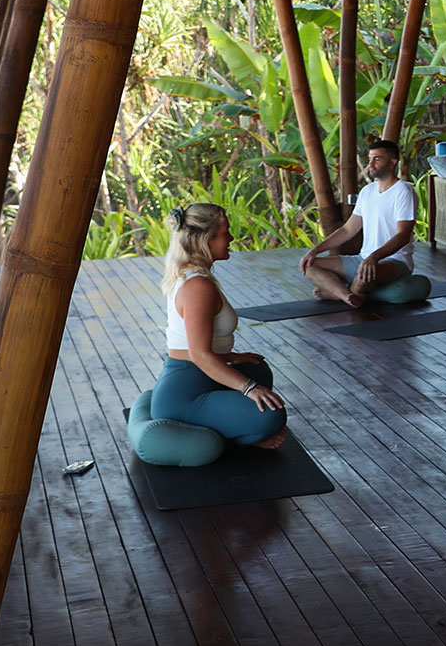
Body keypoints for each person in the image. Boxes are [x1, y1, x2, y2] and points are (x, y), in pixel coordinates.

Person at [151, 203, 287, 447]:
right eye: (226, 232)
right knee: (271, 414)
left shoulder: (195, 276)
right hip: (185, 393)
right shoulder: (197, 287)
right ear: (206, 239)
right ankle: (237, 438)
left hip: (199, 375)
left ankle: (235, 429)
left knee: (258, 369)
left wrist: (233, 357)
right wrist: (249, 388)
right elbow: (199, 355)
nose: (232, 238)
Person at [300, 139, 417, 307]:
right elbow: (348, 230)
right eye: (370, 158)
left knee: (366, 274)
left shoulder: (403, 192)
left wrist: (374, 257)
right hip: (363, 259)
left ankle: (339, 293)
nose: (370, 163)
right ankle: (346, 295)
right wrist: (315, 250)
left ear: (392, 162)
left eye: (377, 158)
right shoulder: (367, 191)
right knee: (309, 265)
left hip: (394, 261)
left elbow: (403, 236)